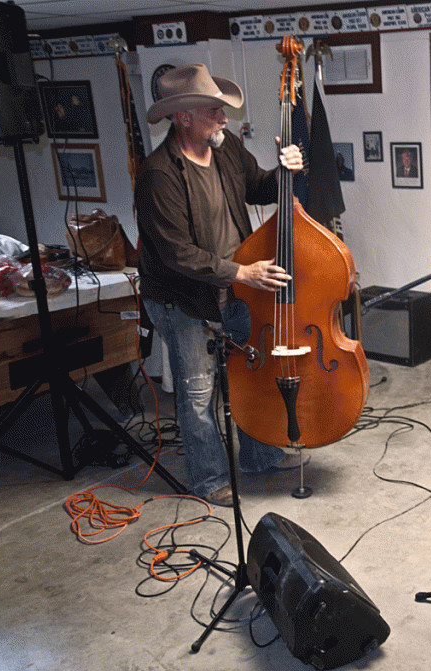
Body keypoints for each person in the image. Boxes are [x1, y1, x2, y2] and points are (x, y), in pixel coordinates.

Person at [135, 63, 307, 507]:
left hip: (232, 289)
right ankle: (209, 480)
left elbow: (258, 186)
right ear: (185, 116)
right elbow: (178, 254)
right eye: (215, 111)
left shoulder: (226, 147)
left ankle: (259, 456)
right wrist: (243, 273)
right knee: (197, 392)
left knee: (246, 375)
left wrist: (285, 170)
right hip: (184, 299)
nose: (225, 119)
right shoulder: (159, 173)